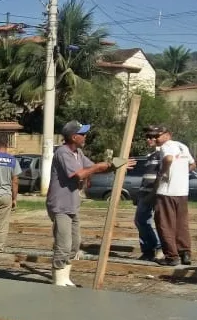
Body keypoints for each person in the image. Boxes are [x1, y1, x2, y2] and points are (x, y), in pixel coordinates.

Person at [47, 121, 130, 287]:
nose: (85, 137)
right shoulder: (63, 153)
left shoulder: (78, 153)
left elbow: (93, 167)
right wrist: (98, 167)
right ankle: (58, 281)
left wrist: (113, 165)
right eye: (82, 134)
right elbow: (79, 175)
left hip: (72, 204)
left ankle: (65, 278)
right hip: (60, 205)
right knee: (63, 244)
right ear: (73, 137)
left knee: (75, 243)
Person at [152, 125, 195, 266]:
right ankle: (185, 253)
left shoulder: (166, 147)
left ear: (168, 135)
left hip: (167, 192)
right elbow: (192, 164)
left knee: (164, 224)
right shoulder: (182, 146)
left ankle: (172, 257)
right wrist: (181, 174)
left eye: (158, 135)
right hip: (182, 192)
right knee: (181, 224)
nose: (155, 138)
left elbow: (169, 159)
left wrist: (162, 172)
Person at [135, 126, 164, 261]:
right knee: (141, 220)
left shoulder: (161, 153)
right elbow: (147, 177)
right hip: (144, 192)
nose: (149, 139)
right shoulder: (150, 155)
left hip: (153, 193)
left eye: (153, 136)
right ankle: (148, 250)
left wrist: (153, 193)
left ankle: (157, 247)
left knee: (145, 220)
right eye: (147, 137)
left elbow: (161, 175)